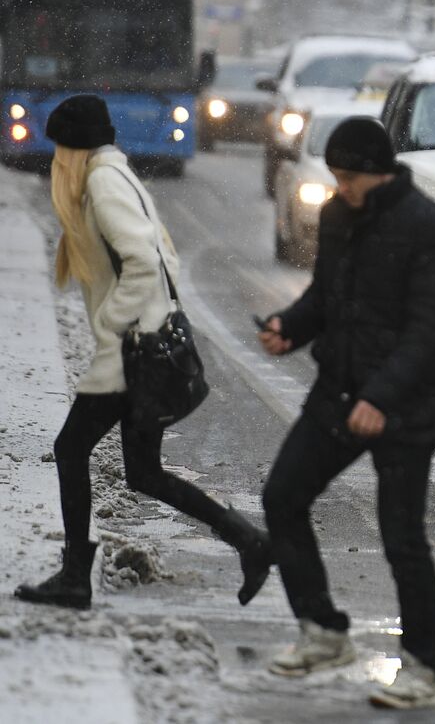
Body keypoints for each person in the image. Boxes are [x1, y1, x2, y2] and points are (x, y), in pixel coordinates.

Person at [15, 94, 271, 611]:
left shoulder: (102, 183)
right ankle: (250, 542)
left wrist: (113, 322)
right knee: (144, 473)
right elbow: (165, 253)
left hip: (128, 354)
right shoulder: (116, 174)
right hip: (141, 344)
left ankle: (74, 577)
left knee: (70, 451)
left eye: (59, 146)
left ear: (73, 147)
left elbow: (142, 260)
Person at [257, 117, 435, 710]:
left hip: (403, 406)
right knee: (282, 496)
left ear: (378, 172)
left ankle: (422, 664)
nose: (341, 188)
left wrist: (381, 399)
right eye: (337, 177)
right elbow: (326, 298)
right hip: (339, 392)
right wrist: (287, 329)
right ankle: (322, 630)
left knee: (402, 538)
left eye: (349, 178)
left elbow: (426, 334)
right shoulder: (340, 215)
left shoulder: (428, 229)